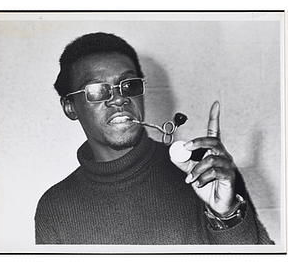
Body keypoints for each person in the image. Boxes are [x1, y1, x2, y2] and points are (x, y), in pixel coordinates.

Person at [35, 32, 273, 245]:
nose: (119, 99)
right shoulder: (55, 209)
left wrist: (227, 216)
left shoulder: (207, 172)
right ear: (70, 107)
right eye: (97, 90)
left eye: (128, 85)